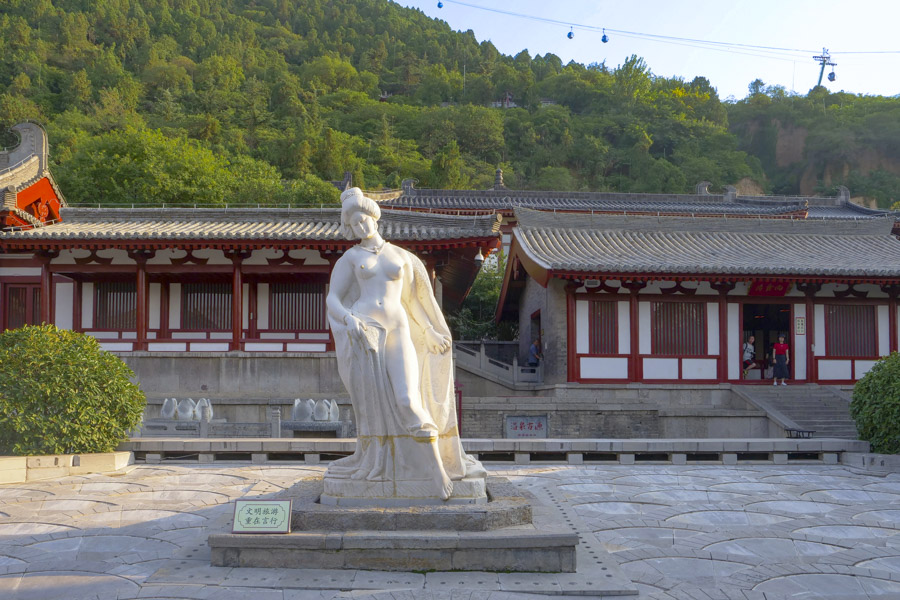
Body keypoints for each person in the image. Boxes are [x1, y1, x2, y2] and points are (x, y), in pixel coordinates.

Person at [325, 187, 485, 501]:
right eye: (354, 224)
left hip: (399, 332)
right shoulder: (351, 258)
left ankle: (437, 468)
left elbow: (415, 302)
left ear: (374, 217)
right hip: (367, 335)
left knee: (409, 399)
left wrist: (429, 331)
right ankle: (411, 467)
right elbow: (333, 298)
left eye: (363, 220)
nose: (361, 227)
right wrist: (348, 319)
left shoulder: (401, 257)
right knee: (376, 405)